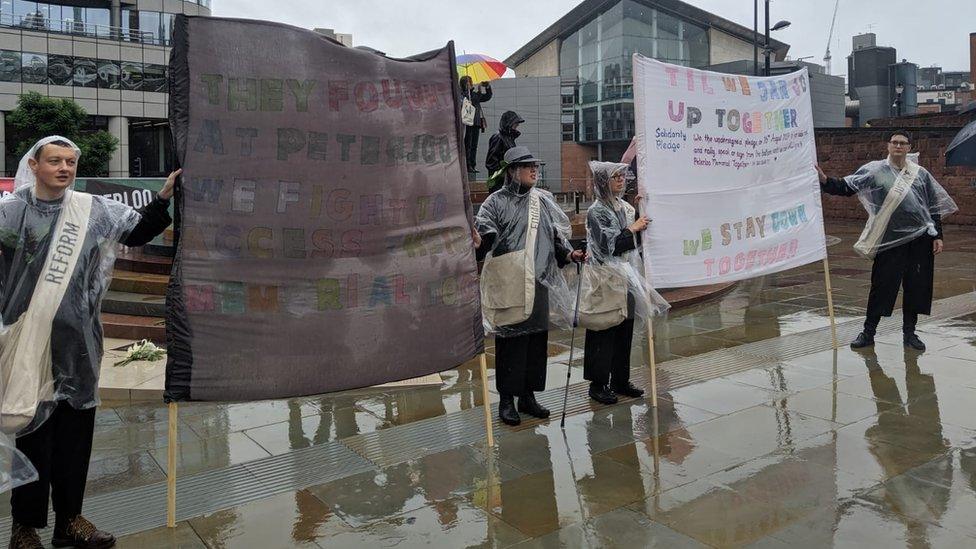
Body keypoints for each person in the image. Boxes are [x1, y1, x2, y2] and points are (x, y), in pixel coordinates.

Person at [0, 136, 179, 549]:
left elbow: (138, 232)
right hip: (29, 344)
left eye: (70, 161)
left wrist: (164, 196)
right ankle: (24, 528)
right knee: (31, 433)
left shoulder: (91, 210)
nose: (64, 168)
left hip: (78, 343)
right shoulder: (11, 214)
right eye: (54, 161)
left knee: (75, 436)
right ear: (34, 164)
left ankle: (70, 522)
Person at [815, 130, 957, 351]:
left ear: (909, 147)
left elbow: (933, 206)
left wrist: (937, 235)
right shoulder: (876, 171)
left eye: (903, 143)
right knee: (882, 286)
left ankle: (910, 334)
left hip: (919, 240)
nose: (898, 146)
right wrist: (825, 181)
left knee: (916, 287)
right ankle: (868, 332)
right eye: (895, 143)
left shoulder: (920, 174)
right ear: (888, 146)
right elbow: (847, 187)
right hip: (889, 239)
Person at [475, 146, 584, 426]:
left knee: (536, 342)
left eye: (535, 166)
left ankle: (528, 396)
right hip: (510, 282)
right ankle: (507, 400)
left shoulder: (543, 201)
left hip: (539, 282)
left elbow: (555, 239)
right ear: (512, 171)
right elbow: (486, 236)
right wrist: (479, 242)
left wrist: (569, 255)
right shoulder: (495, 203)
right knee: (511, 341)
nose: (534, 170)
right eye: (527, 166)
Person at [581, 161, 668, 404]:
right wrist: (632, 228)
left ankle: (620, 379)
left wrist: (641, 209)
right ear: (602, 182)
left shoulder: (626, 208)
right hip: (606, 280)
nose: (620, 180)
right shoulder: (596, 211)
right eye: (614, 177)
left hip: (627, 277)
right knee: (603, 329)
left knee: (624, 330)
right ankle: (598, 384)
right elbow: (610, 246)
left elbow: (638, 235)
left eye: (622, 176)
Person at [484, 111, 524, 192]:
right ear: (509, 123)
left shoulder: (508, 138)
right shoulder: (498, 137)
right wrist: (504, 173)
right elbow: (491, 162)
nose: (517, 125)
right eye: (515, 123)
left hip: (507, 181)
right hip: (499, 184)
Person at [459, 76, 491, 175]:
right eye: (468, 82)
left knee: (474, 146)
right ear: (464, 84)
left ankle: (472, 165)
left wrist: (487, 87)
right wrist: (477, 91)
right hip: (468, 122)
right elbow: (470, 100)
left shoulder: (473, 94)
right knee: (467, 145)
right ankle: (467, 165)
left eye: (471, 81)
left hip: (476, 122)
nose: (471, 83)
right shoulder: (463, 94)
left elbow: (487, 97)